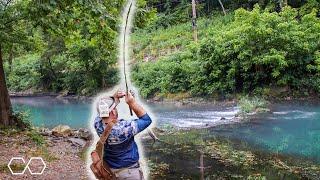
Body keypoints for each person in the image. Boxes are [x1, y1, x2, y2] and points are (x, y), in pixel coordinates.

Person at [94, 90, 152, 180]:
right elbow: (146, 120)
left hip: (109, 171)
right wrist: (132, 103)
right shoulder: (124, 129)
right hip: (129, 173)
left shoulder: (97, 124)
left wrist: (115, 97)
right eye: (115, 108)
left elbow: (105, 111)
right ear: (113, 112)